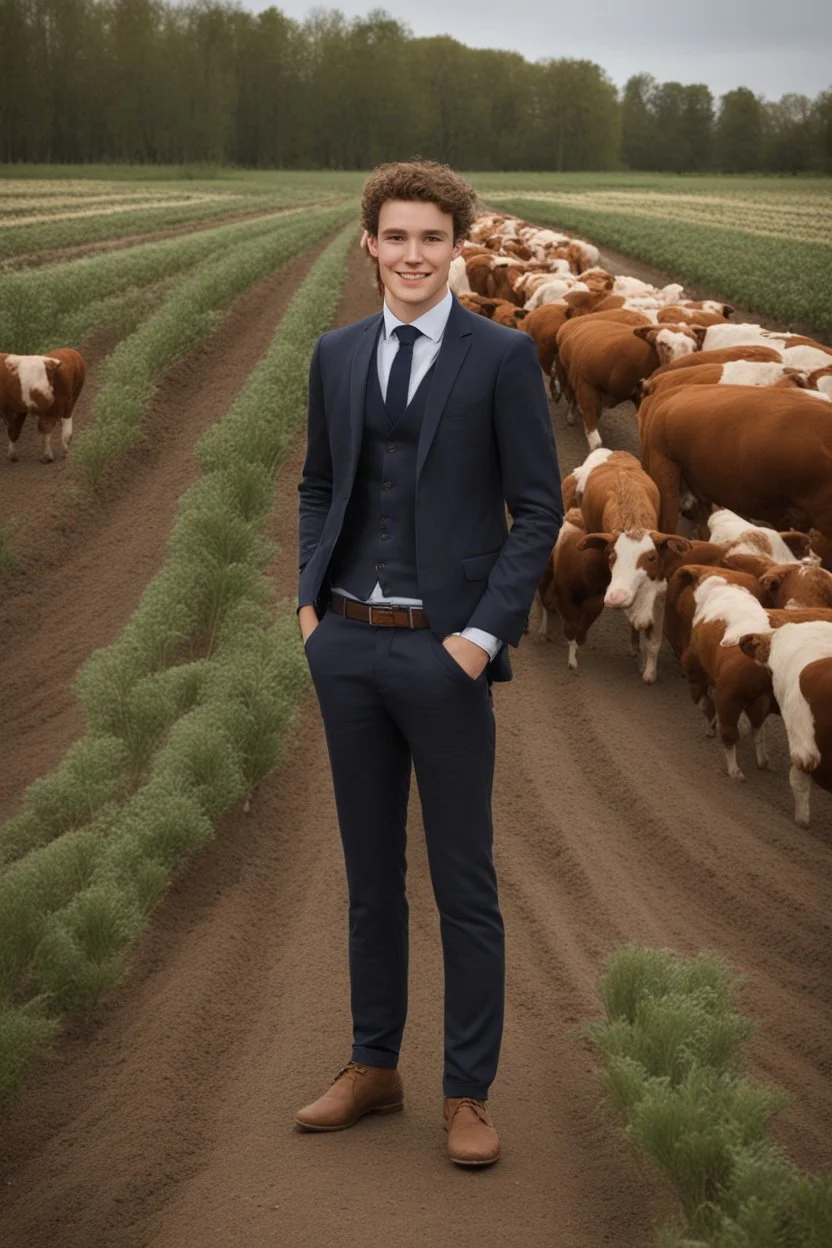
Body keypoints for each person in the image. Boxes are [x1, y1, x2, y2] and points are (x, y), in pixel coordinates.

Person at [294, 160, 563, 1166]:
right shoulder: (335, 353)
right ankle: (372, 1065)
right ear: (369, 243)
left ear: (459, 246)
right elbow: (318, 485)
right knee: (369, 879)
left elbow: (539, 509)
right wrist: (310, 606)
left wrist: (478, 638)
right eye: (396, 237)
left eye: (431, 239)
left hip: (444, 659)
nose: (413, 255)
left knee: (463, 884)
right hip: (350, 647)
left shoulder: (501, 357)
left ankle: (466, 1092)